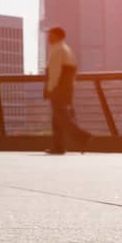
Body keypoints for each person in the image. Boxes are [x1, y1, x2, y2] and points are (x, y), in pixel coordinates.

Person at [43, 26, 90, 155]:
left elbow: (55, 72)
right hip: (66, 88)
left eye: (50, 34)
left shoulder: (57, 50)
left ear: (57, 36)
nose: (48, 37)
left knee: (61, 116)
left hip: (58, 88)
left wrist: (51, 88)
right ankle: (58, 146)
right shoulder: (65, 49)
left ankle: (81, 136)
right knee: (57, 118)